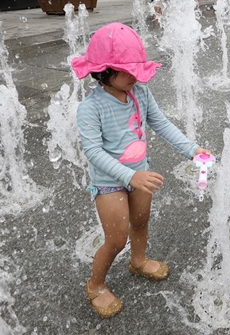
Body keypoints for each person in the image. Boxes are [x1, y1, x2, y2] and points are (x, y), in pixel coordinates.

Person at [71, 23, 210, 318]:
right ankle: (95, 284)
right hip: (110, 182)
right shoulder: (91, 108)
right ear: (105, 70)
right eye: (128, 71)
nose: (136, 76)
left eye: (137, 70)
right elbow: (93, 152)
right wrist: (129, 176)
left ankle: (138, 260)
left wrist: (192, 149)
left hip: (139, 175)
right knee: (116, 238)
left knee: (141, 220)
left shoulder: (141, 94)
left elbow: (160, 123)